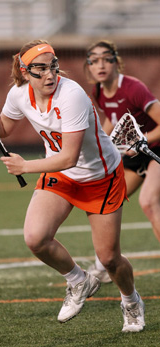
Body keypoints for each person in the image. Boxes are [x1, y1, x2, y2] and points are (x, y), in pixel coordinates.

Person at [0, 39, 145, 332]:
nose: (50, 75)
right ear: (24, 72)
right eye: (40, 69)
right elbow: (5, 128)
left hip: (100, 178)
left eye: (53, 66)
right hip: (61, 176)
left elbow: (70, 156)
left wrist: (25, 167)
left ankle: (132, 301)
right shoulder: (19, 93)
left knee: (109, 259)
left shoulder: (71, 95)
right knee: (35, 238)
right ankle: (78, 280)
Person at [84, 39, 160, 284]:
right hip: (133, 156)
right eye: (94, 61)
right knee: (106, 202)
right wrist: (101, 144)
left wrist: (142, 141)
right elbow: (112, 118)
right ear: (89, 66)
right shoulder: (97, 90)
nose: (101, 65)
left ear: (116, 61)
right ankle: (104, 261)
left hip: (154, 151)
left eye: (106, 58)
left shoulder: (133, 88)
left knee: (148, 202)